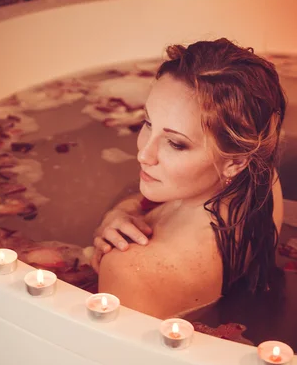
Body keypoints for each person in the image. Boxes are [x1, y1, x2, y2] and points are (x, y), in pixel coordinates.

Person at [91, 38, 286, 319]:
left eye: (176, 143)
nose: (144, 154)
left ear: (236, 162)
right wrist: (123, 210)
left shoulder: (131, 269)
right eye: (148, 123)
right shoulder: (264, 182)